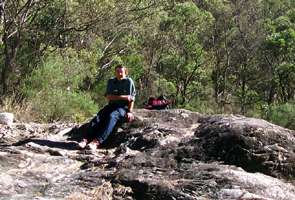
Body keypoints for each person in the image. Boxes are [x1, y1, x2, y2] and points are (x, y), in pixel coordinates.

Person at [78, 64, 136, 150]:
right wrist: (124, 97)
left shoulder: (129, 82)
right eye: (118, 71)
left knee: (112, 116)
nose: (119, 73)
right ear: (115, 72)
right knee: (98, 118)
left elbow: (131, 99)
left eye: (121, 72)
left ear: (125, 73)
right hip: (111, 105)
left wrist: (130, 112)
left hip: (122, 107)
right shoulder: (111, 81)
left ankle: (96, 142)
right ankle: (85, 140)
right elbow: (109, 96)